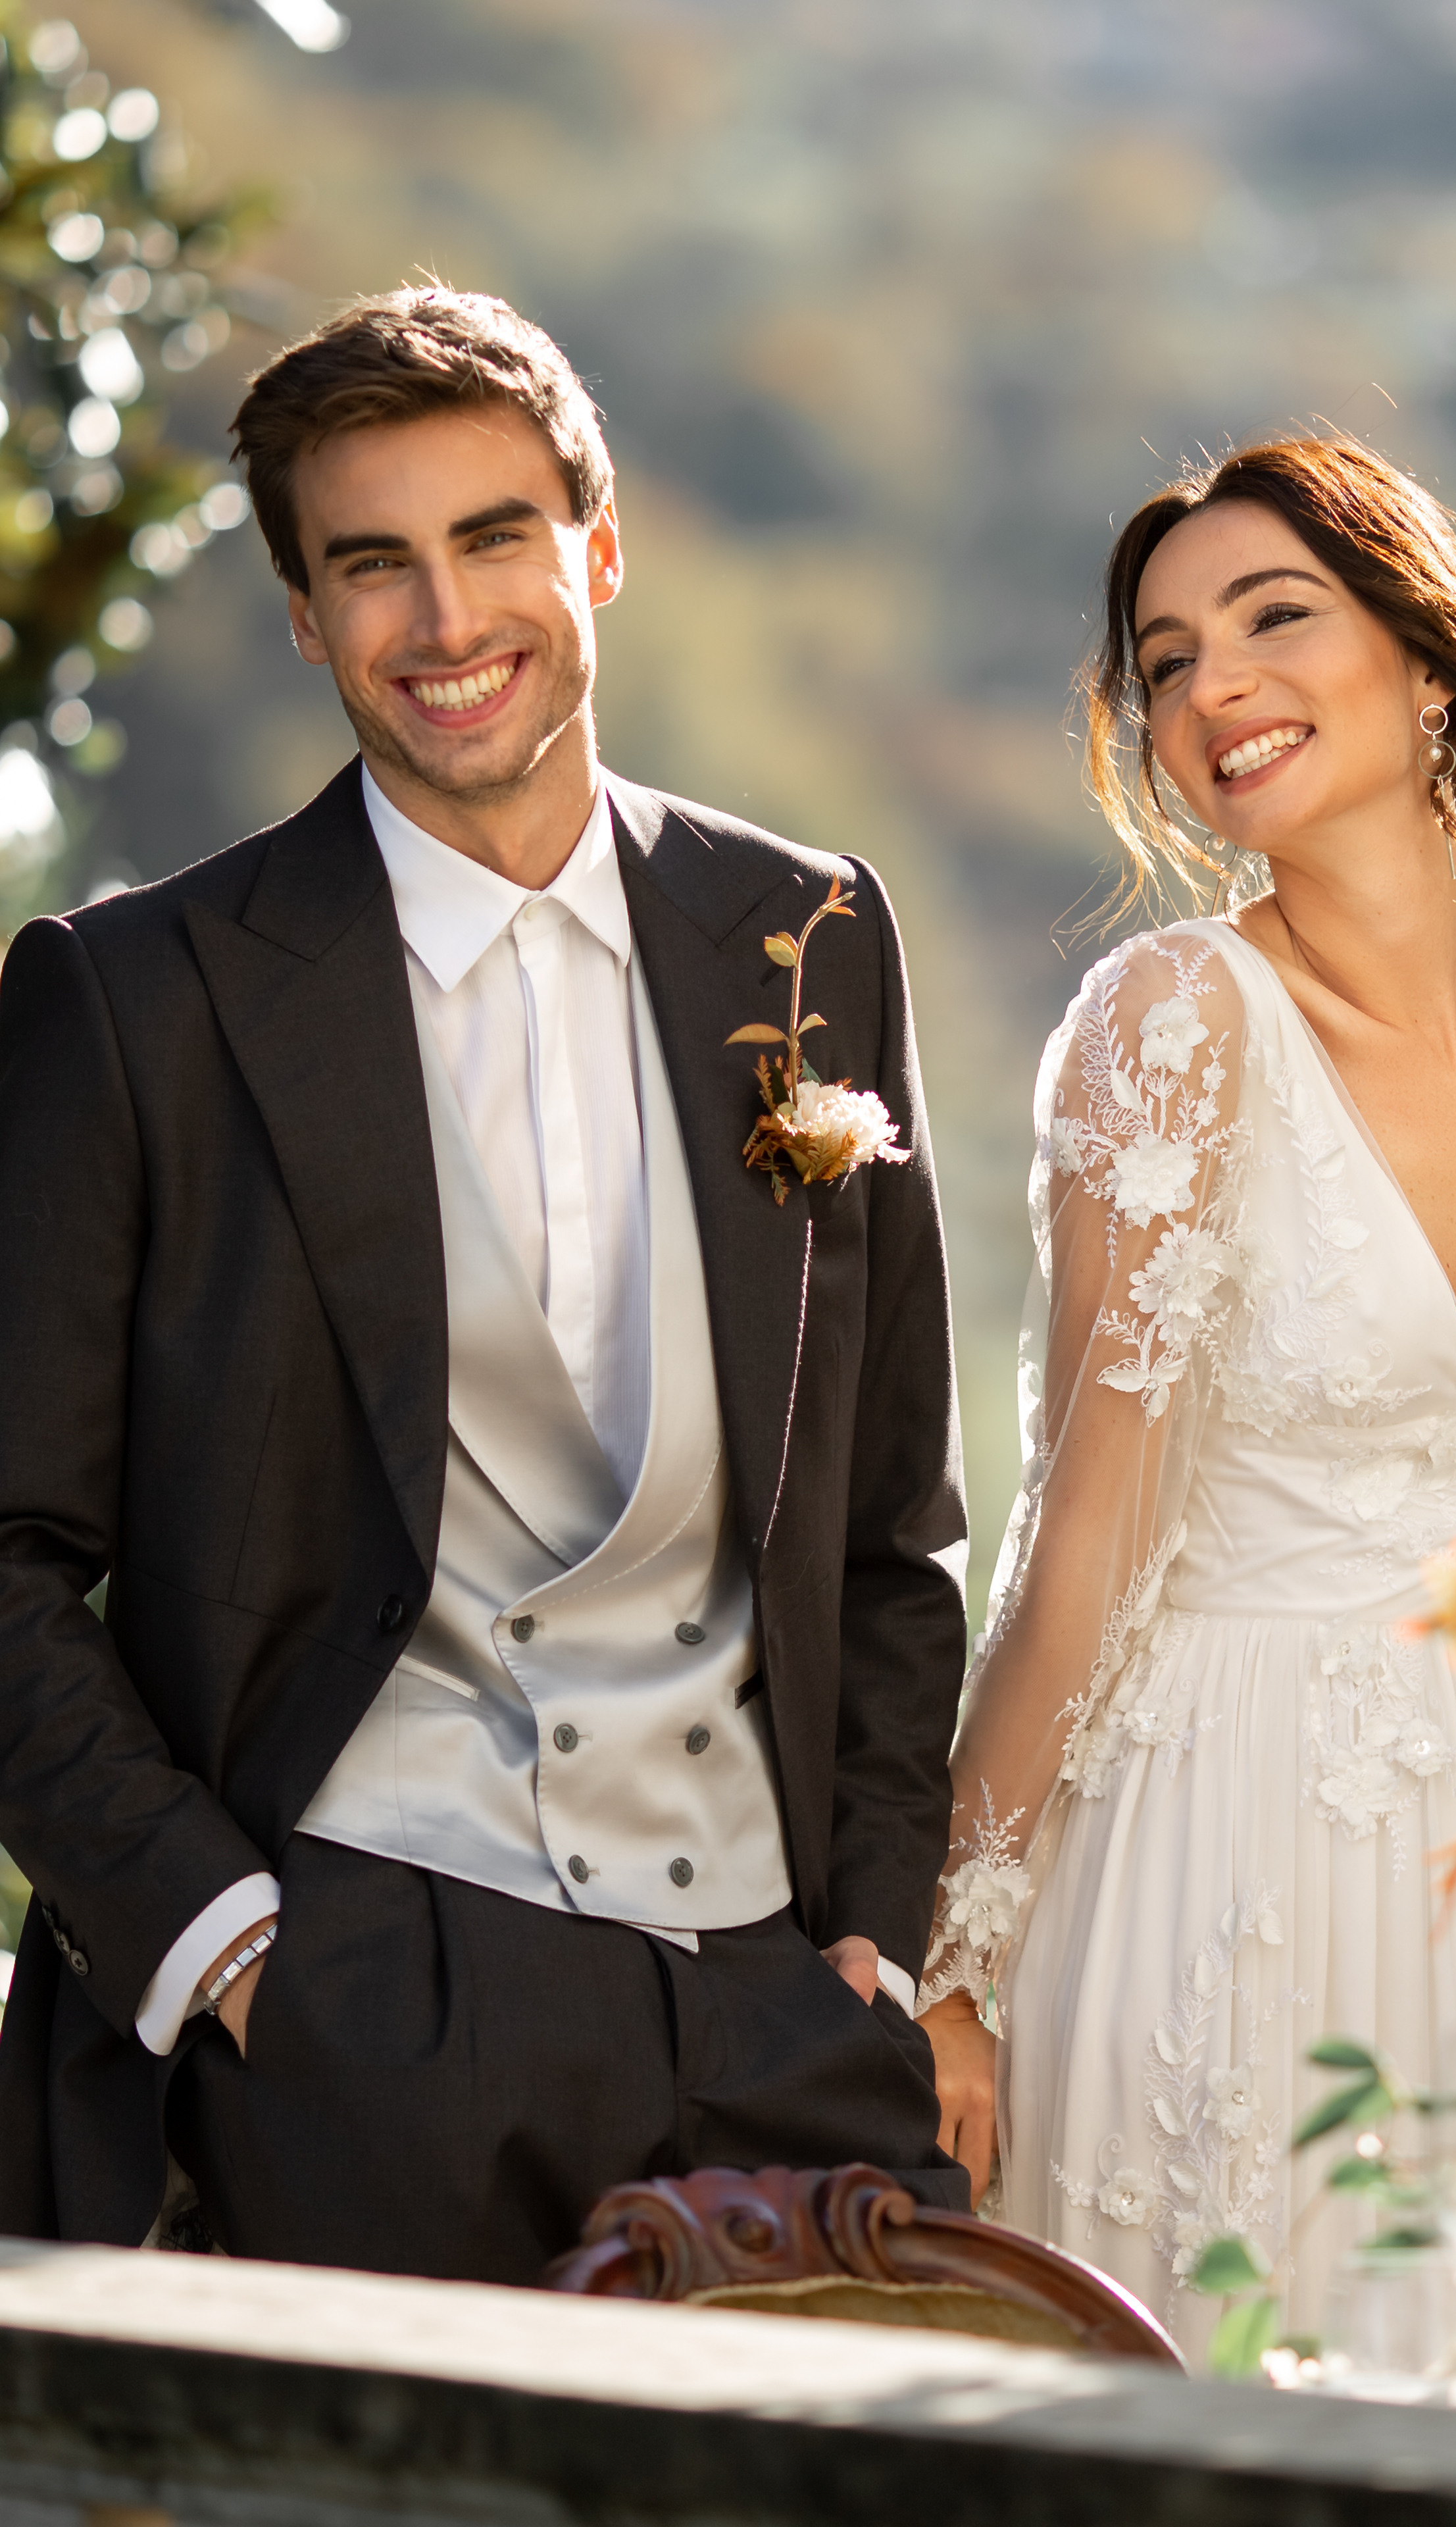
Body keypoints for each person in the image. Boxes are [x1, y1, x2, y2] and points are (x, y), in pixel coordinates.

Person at [0, 288, 969, 2280]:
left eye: (494, 539)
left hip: (782, 2005)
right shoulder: (137, 1000)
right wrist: (222, 1946)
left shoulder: (803, 933)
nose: (444, 624)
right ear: (303, 616)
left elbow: (890, 1514)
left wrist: (872, 1919)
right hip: (361, 2001)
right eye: (372, 565)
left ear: (597, 552)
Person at [918, 434, 1456, 2349]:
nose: (1215, 686)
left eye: (1275, 617)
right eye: (1166, 662)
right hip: (1223, 1847)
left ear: (1430, 659)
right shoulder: (1171, 1024)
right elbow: (1079, 1529)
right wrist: (961, 1957)